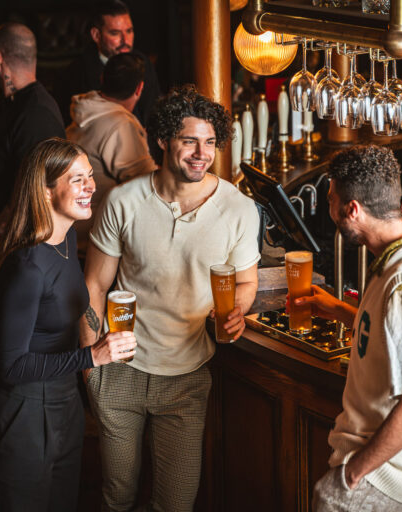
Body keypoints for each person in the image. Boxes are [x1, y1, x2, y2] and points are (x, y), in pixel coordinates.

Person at [82, 85, 260, 511]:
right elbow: (93, 285)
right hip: (120, 371)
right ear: (163, 140)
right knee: (117, 497)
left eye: (210, 143)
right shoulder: (123, 201)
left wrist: (238, 310)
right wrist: (89, 361)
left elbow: (246, 283)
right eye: (189, 141)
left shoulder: (239, 209)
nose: (201, 153)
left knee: (176, 503)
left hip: (187, 375)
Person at [0, 138, 136, 511]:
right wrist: (91, 357)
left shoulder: (65, 242)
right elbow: (11, 367)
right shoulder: (27, 266)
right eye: (77, 180)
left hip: (64, 406)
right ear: (46, 193)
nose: (90, 187)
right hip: (24, 415)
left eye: (90, 177)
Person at [301, 146, 402, 512]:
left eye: (333, 200)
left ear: (353, 210)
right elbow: (390, 336)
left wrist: (353, 476)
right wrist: (337, 310)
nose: (329, 209)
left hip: (375, 476)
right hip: (377, 469)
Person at [0, 22, 66, 393]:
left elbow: (34, 188)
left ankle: (7, 438)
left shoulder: (37, 113)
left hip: (15, 248)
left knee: (0, 350)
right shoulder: (3, 102)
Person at [66, 51, 157, 254]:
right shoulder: (120, 125)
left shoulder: (84, 110)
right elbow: (148, 187)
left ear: (102, 79)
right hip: (94, 241)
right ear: (140, 88)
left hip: (69, 231)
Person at [58, 0, 160, 127]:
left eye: (129, 31)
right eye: (115, 33)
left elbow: (154, 115)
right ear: (96, 35)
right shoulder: (75, 73)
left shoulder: (144, 64)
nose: (125, 40)